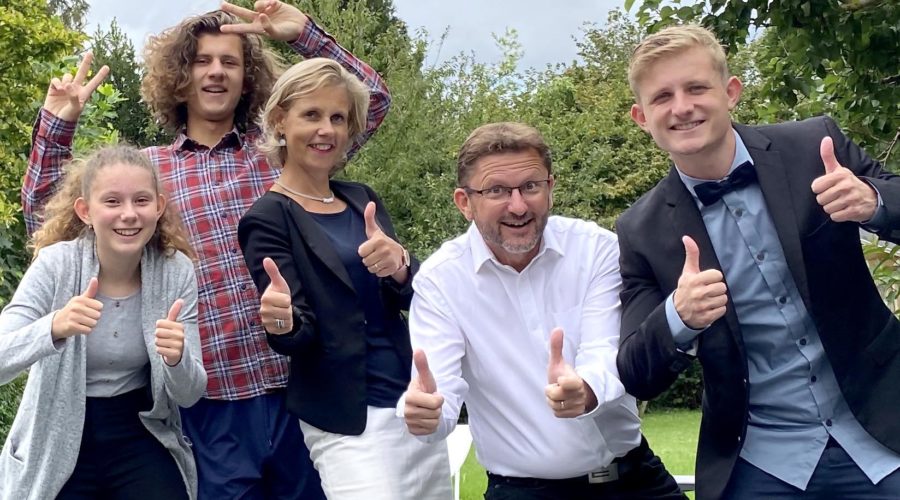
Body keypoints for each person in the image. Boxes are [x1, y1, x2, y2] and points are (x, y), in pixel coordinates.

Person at [24, 2, 389, 498]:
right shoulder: (150, 176)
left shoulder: (283, 156)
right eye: (201, 60)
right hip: (209, 405)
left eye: (230, 61)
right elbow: (46, 210)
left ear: (248, 78)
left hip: (302, 390)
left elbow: (372, 103)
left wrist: (303, 34)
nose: (216, 71)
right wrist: (57, 123)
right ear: (179, 77)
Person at [615, 24, 900, 500]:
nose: (681, 107)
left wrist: (873, 201)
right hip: (759, 463)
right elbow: (635, 373)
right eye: (662, 96)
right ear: (641, 117)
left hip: (881, 431)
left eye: (696, 88)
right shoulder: (640, 230)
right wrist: (679, 317)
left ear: (731, 92)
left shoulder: (815, 146)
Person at [400, 122, 685, 500]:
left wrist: (585, 390)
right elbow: (440, 396)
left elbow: (604, 348)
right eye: (497, 190)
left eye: (530, 186)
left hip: (635, 479)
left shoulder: (595, 249)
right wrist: (427, 416)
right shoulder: (440, 281)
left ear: (550, 189)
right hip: (524, 491)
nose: (518, 206)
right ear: (464, 202)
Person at [237, 57, 452, 500]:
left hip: (411, 401)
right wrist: (281, 321)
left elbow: (417, 296)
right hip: (347, 418)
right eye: (312, 115)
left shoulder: (361, 199)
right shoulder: (267, 217)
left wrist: (400, 265)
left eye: (337, 118)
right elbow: (296, 332)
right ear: (280, 121)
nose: (327, 130)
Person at [0, 145, 206, 499]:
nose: (129, 214)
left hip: (137, 428)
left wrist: (177, 359)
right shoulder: (55, 265)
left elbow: (190, 394)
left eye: (141, 201)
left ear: (158, 207)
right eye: (112, 202)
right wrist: (54, 326)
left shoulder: (176, 272)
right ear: (85, 211)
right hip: (56, 435)